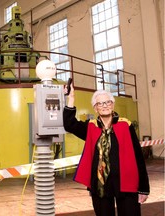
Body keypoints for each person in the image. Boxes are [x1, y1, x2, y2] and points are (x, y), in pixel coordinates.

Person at [63, 83, 150, 216]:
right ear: (95, 108)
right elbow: (69, 124)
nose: (104, 106)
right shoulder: (91, 126)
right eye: (100, 103)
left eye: (108, 102)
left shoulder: (125, 124)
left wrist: (143, 188)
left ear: (113, 105)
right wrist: (71, 98)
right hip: (100, 185)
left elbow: (138, 157)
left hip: (126, 183)